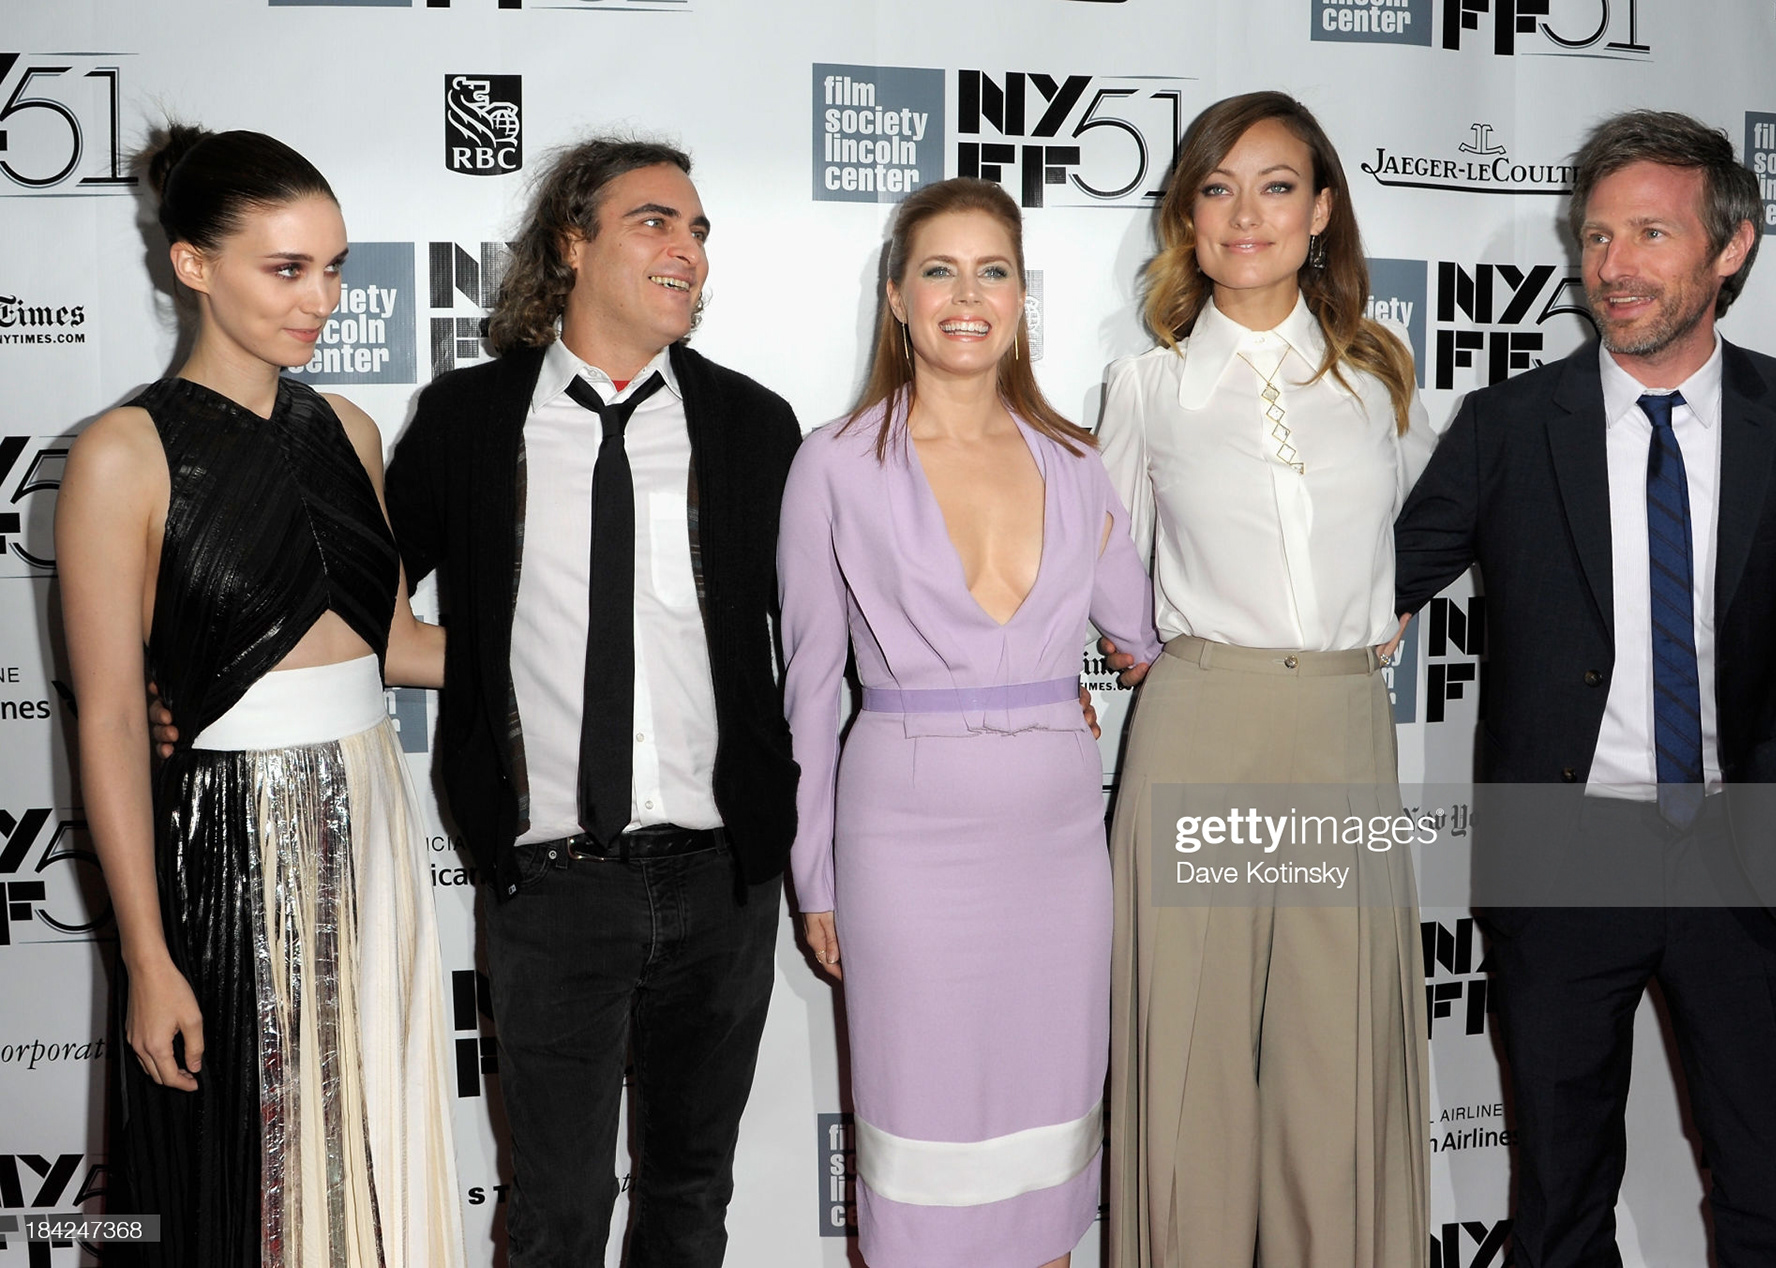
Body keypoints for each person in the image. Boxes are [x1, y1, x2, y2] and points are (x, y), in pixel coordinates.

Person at [1394, 110, 1776, 1268]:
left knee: (1774, 1193)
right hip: (1565, 857)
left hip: (1747, 851)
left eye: (1650, 233)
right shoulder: (1511, 425)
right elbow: (1371, 592)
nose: (1611, 266)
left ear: (1731, 248)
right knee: (1559, 1201)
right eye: (1598, 235)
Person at [382, 138, 801, 1268]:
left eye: (701, 231)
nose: (688, 250)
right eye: (657, 222)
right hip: (555, 883)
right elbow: (358, 605)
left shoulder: (753, 425)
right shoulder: (471, 421)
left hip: (722, 879)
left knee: (688, 1201)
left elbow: (823, 631)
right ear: (572, 243)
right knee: (557, 1216)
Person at [62, 126, 465, 1266]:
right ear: (193, 264)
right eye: (287, 269)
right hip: (225, 849)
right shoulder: (122, 454)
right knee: (246, 1176)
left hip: (374, 827)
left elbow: (398, 645)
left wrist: (583, 640)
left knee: (371, 1156)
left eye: (334, 266)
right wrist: (146, 956)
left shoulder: (349, 430)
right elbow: (104, 717)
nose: (322, 298)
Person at [778, 177, 1161, 1268]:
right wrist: (815, 873)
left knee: (1048, 1162)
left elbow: (1143, 636)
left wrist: (1319, 637)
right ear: (897, 295)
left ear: (1022, 297)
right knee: (918, 1155)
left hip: (1054, 845)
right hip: (903, 841)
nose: (966, 294)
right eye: (938, 269)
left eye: (993, 270)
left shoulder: (1080, 461)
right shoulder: (834, 463)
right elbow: (807, 685)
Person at [1097, 91, 1433, 1268]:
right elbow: (1107, 584)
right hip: (1200, 728)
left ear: (1323, 209)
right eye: (1219, 188)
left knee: (1333, 1062)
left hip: (1342, 729)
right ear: (1186, 217)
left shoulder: (1381, 380)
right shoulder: (1148, 389)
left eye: (1278, 185)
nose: (1249, 214)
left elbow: (1415, 549)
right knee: (1186, 1059)